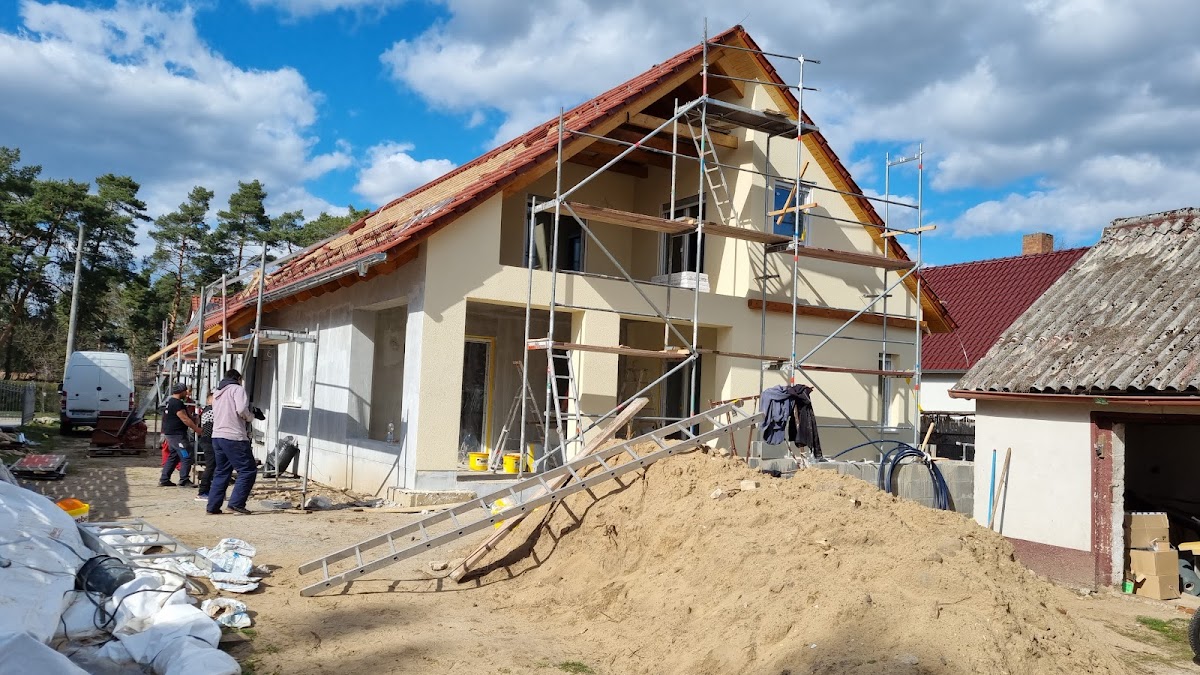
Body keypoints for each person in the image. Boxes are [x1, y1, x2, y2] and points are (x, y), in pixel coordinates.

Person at [207, 369, 257, 515]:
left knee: (222, 471)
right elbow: (241, 409)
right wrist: (250, 416)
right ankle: (236, 504)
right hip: (234, 436)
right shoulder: (237, 389)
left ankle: (212, 507)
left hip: (217, 436)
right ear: (238, 378)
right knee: (247, 470)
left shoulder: (217, 392)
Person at [160, 383, 202, 487]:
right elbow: (184, 418)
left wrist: (194, 418)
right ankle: (184, 479)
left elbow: (186, 416)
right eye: (185, 391)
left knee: (174, 456)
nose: (186, 393)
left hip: (172, 435)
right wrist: (196, 429)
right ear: (181, 391)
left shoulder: (171, 402)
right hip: (177, 436)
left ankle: (164, 479)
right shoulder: (177, 403)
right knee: (186, 455)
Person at [195, 392, 215, 501]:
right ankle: (202, 492)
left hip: (209, 440)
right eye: (213, 399)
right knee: (211, 465)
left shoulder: (208, 410)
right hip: (208, 440)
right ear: (208, 400)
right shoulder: (210, 410)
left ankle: (209, 490)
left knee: (213, 465)